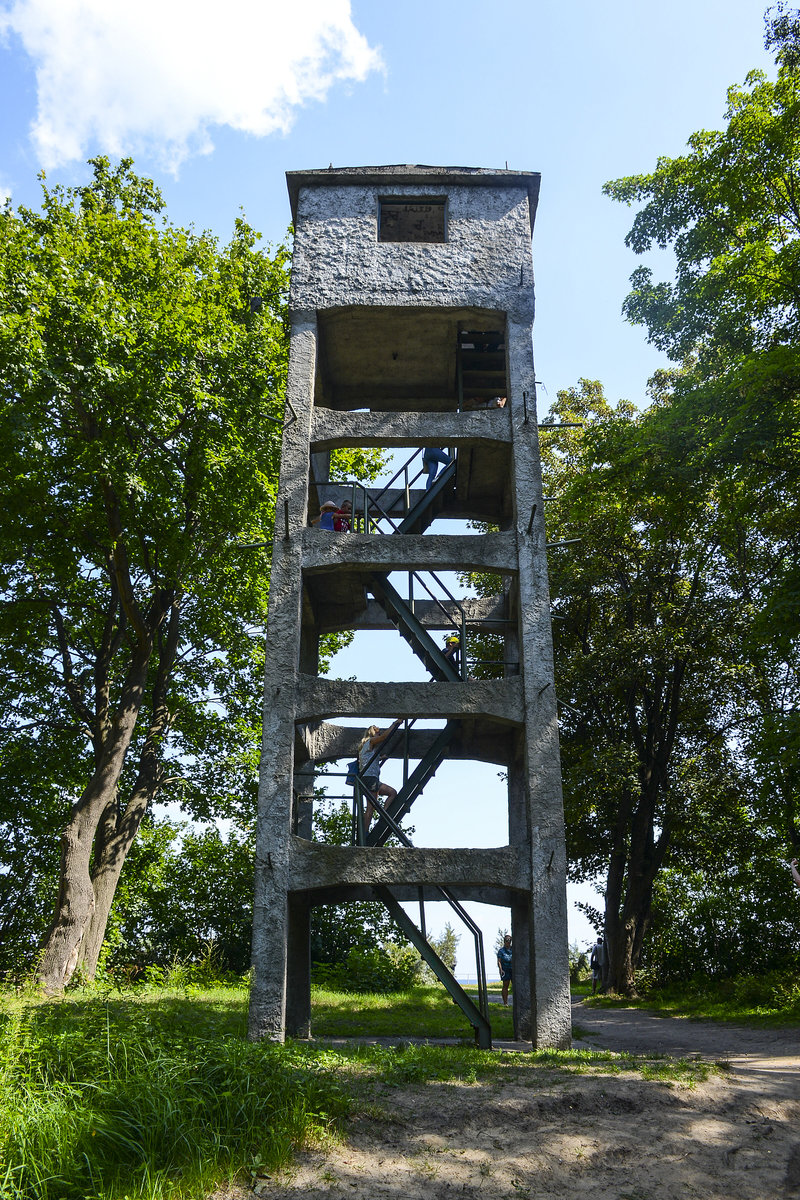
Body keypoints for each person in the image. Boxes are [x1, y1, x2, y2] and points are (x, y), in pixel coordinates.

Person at [357, 722, 400, 827]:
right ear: (372, 734)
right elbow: (385, 737)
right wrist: (395, 724)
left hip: (368, 779)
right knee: (371, 807)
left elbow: (367, 760)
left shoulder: (366, 747)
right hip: (370, 779)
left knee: (391, 793)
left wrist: (380, 758)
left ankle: (381, 816)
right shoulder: (370, 742)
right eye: (378, 733)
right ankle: (365, 832)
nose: (379, 736)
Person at [497, 934, 512, 1006]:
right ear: (504, 941)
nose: (508, 942)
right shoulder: (501, 951)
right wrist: (500, 969)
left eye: (509, 941)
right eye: (507, 941)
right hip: (505, 969)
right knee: (505, 985)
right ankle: (505, 1003)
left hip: (513, 969)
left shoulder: (513, 949)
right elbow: (499, 961)